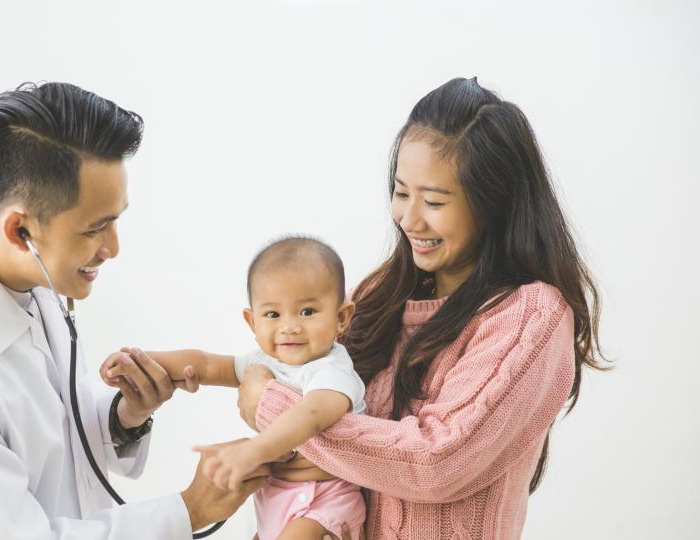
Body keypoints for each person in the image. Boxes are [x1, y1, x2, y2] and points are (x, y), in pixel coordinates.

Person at [0, 81, 267, 539]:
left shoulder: (29, 277)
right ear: (20, 231)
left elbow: (44, 446)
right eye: (95, 229)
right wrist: (190, 510)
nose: (113, 248)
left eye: (116, 220)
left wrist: (122, 417)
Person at [237, 77, 605, 539]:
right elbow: (304, 381)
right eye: (401, 192)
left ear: (492, 204)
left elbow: (436, 462)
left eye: (433, 201)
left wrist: (272, 410)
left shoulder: (530, 316)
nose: (409, 219)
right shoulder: (380, 294)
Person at [101, 236, 367, 540]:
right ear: (252, 322)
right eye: (273, 314)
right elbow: (205, 364)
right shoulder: (264, 361)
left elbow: (311, 415)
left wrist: (254, 451)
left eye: (307, 312)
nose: (289, 326)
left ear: (342, 317)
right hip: (277, 498)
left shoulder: (332, 370)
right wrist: (139, 360)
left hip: (324, 498)